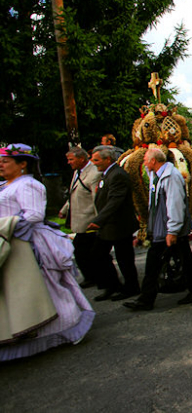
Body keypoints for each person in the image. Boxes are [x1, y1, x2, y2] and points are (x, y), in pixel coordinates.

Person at [0, 144, 95, 361]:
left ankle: (63, 328)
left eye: (6, 161)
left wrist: (5, 225)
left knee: (47, 288)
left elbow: (33, 215)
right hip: (10, 242)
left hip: (27, 244)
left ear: (22, 164)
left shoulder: (28, 185)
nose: (1, 165)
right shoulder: (6, 185)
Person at [124, 149, 192, 312]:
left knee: (153, 262)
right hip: (163, 228)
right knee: (185, 259)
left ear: (154, 161)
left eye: (147, 160)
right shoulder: (157, 175)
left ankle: (146, 299)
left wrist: (172, 231)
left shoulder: (171, 177)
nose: (145, 162)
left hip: (168, 229)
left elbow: (174, 204)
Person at [88, 146, 140, 302]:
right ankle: (113, 285)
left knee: (124, 258)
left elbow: (114, 201)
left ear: (107, 159)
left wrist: (98, 221)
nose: (93, 162)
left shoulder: (117, 175)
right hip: (109, 225)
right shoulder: (107, 174)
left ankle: (131, 287)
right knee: (99, 254)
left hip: (119, 224)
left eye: (96, 160)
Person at [58, 146, 101, 287]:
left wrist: (98, 220)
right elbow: (73, 192)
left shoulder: (93, 173)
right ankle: (93, 276)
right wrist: (64, 210)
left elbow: (96, 199)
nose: (69, 162)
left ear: (81, 159)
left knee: (82, 250)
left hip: (88, 220)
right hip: (80, 219)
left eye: (71, 159)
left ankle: (94, 277)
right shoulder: (77, 172)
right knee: (84, 251)